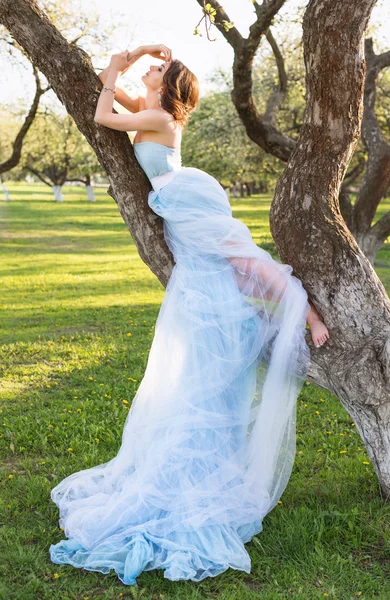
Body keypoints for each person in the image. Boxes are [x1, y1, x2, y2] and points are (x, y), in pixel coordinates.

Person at [49, 44, 329, 586]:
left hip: (183, 196)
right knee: (229, 268)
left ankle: (308, 312)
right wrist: (138, 53)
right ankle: (289, 309)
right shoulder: (152, 109)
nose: (147, 73)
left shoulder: (155, 114)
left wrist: (129, 60)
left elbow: (104, 112)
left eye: (156, 71)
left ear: (168, 86)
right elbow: (114, 88)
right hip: (178, 201)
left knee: (241, 259)